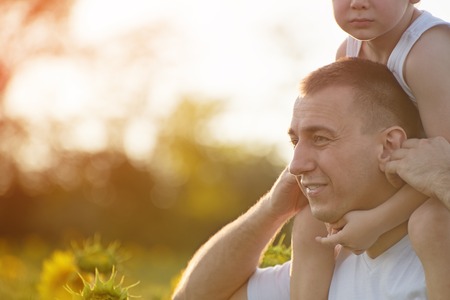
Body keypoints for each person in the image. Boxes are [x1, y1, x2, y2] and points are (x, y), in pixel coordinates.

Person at [172, 57, 426, 300]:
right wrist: (272, 208)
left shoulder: (434, 263)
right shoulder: (321, 268)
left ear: (389, 146)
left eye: (320, 138)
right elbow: (191, 297)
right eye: (295, 141)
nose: (295, 165)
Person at [291, 1, 450, 299]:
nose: (358, 3)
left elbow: (442, 163)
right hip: (403, 170)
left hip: (434, 178)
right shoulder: (348, 52)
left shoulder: (429, 52)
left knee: (432, 223)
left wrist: (375, 222)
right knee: (310, 223)